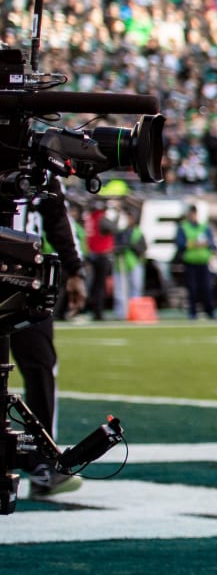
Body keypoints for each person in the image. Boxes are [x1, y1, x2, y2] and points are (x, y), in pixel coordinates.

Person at [13, 178, 86, 496]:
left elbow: (57, 216)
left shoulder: (37, 159)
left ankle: (44, 459)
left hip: (28, 277)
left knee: (41, 365)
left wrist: (74, 269)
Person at [173, 205, 217, 320]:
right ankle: (192, 312)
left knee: (206, 288)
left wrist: (198, 244)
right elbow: (181, 244)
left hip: (203, 262)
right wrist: (195, 244)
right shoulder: (183, 227)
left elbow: (211, 244)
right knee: (192, 288)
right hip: (190, 262)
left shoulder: (204, 227)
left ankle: (210, 311)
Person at [110, 203, 147, 320]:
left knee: (135, 289)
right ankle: (121, 313)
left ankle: (135, 312)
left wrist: (131, 247)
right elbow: (115, 246)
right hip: (121, 263)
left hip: (134, 263)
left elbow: (142, 248)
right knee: (120, 290)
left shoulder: (137, 232)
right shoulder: (121, 232)